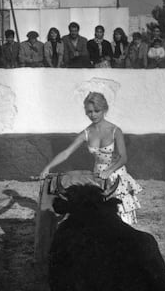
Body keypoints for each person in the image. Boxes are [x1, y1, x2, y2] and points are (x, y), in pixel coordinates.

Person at [40, 92, 142, 226]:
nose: (93, 115)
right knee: (96, 217)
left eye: (96, 111)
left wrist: (109, 171)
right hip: (97, 177)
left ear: (104, 109)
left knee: (117, 219)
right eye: (89, 112)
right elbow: (66, 152)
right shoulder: (87, 132)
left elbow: (123, 158)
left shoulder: (115, 131)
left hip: (116, 176)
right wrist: (48, 167)